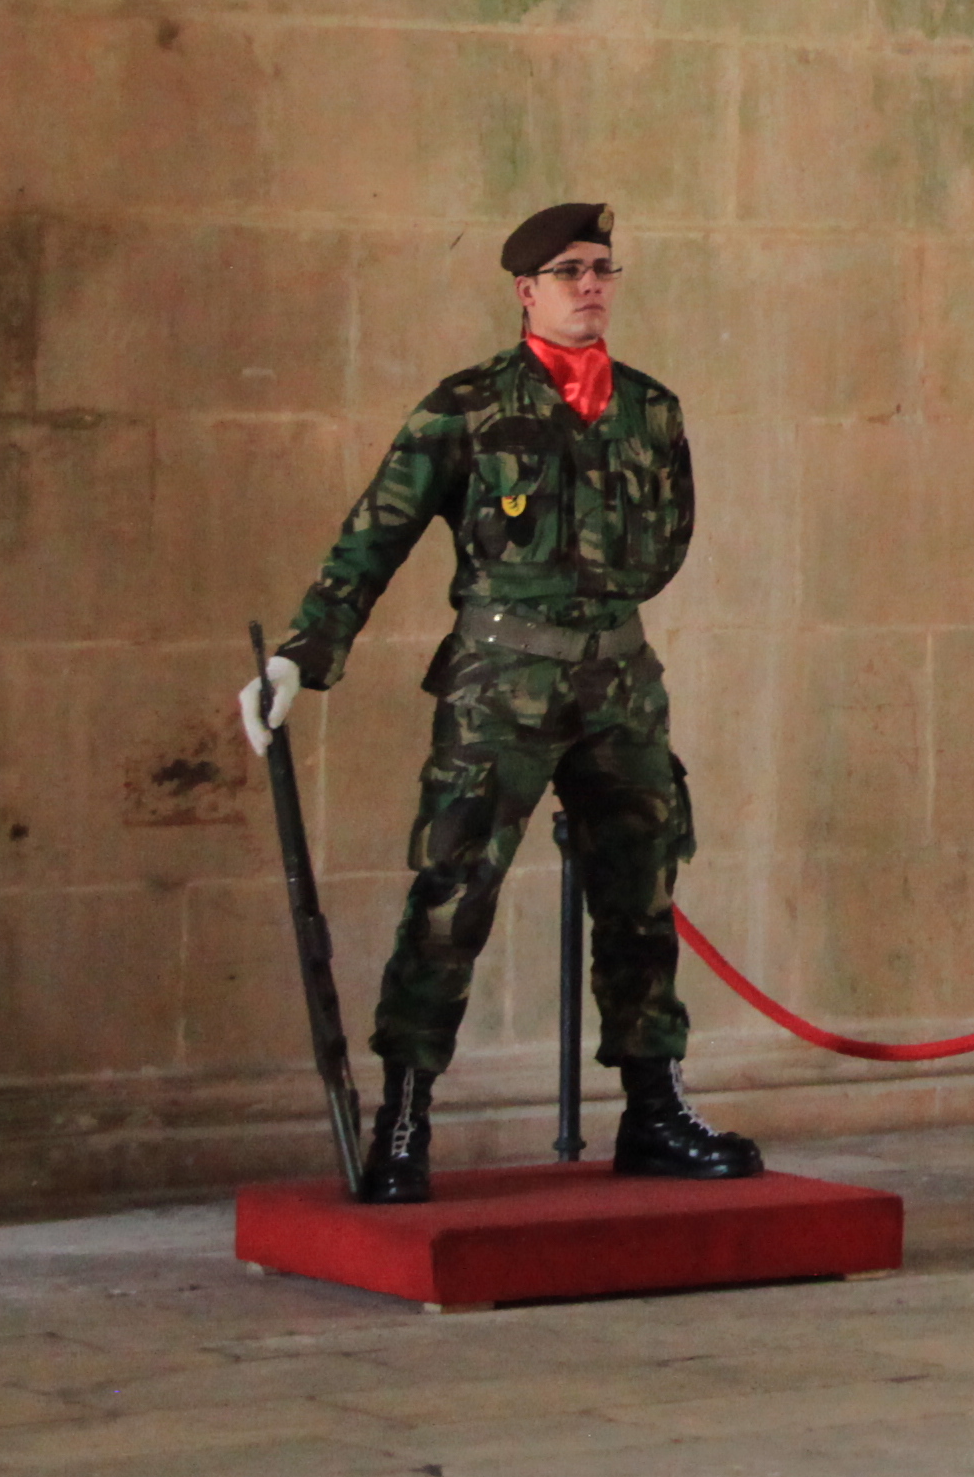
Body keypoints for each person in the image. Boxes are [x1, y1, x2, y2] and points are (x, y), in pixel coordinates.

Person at [238, 203, 758, 1201]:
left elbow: (671, 538)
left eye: (604, 268)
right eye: (570, 270)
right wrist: (302, 656)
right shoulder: (467, 407)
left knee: (642, 896)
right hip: (499, 685)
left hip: (619, 682)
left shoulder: (652, 409)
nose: (592, 284)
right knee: (451, 897)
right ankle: (405, 1119)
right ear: (528, 290)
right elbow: (371, 537)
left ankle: (654, 1108)